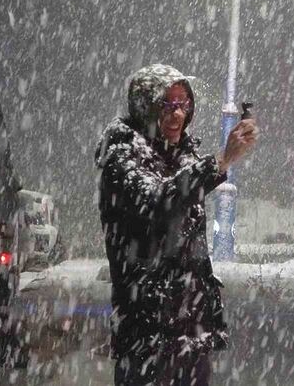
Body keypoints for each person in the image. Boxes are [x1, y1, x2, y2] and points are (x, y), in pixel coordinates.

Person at [95, 64, 257, 385]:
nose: (177, 114)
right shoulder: (121, 153)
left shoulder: (182, 154)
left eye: (183, 104)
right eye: (166, 105)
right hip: (147, 336)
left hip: (190, 332)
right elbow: (156, 202)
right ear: (145, 106)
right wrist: (220, 162)